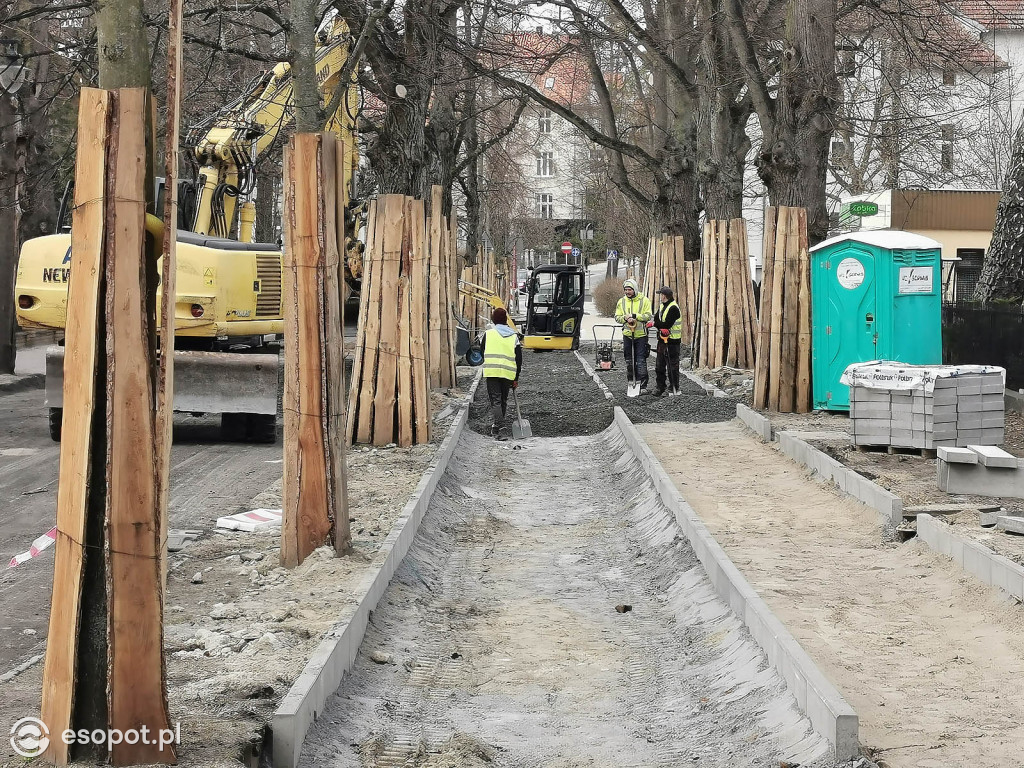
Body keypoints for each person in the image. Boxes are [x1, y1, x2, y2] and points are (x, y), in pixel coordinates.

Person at [479, 307, 522, 439]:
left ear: (493, 319)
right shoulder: (514, 336)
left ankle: (500, 427)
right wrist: (516, 377)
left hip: (492, 371)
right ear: (505, 319)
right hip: (508, 373)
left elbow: (482, 352)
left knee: (496, 401)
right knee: (503, 400)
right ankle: (497, 427)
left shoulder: (489, 334)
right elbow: (519, 359)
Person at [614, 278, 653, 393]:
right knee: (629, 360)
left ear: (634, 289)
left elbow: (647, 316)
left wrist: (635, 316)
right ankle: (631, 382)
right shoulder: (621, 302)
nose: (627, 292)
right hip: (627, 335)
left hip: (641, 335)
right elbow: (617, 317)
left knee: (640, 360)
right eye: (625, 290)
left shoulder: (644, 300)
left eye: (629, 289)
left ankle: (643, 385)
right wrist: (625, 318)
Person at [652, 286, 682, 397]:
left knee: (672, 366)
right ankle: (660, 387)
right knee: (659, 366)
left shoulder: (673, 308)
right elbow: (656, 319)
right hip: (662, 340)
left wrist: (656, 325)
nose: (660, 297)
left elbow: (667, 325)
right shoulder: (662, 306)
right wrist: (658, 325)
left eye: (661, 294)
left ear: (665, 296)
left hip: (672, 341)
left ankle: (673, 388)